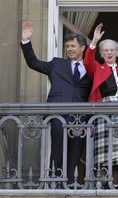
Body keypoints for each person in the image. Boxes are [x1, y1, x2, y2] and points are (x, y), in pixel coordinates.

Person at [20, 22, 92, 185]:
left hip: (80, 116)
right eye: (67, 46)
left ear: (82, 48)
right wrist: (26, 41)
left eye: (73, 46)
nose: (70, 49)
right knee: (57, 150)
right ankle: (55, 183)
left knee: (75, 153)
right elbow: (33, 62)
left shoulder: (90, 68)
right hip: (58, 113)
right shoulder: (57, 63)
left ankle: (70, 184)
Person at [83, 23, 118, 186]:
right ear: (102, 54)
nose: (109, 52)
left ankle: (114, 186)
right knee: (103, 154)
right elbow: (87, 62)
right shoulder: (97, 68)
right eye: (105, 50)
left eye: (112, 50)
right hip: (102, 112)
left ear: (117, 53)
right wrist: (94, 42)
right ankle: (101, 187)